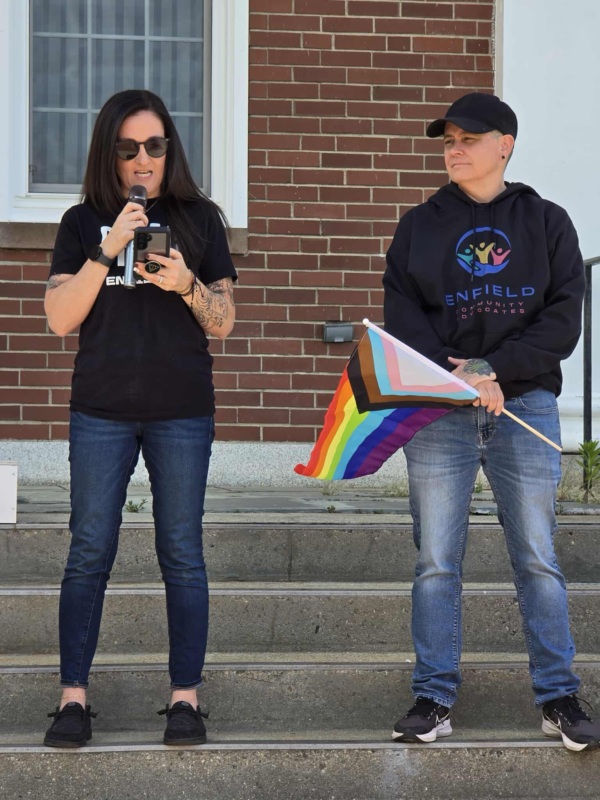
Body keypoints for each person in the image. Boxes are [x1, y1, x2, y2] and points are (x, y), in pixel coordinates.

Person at [383, 92, 600, 751]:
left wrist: (496, 368)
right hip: (439, 410)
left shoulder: (546, 222)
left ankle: (559, 697)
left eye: (468, 139)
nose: (454, 149)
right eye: (448, 140)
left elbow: (562, 318)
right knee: (436, 560)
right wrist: (463, 379)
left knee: (537, 556)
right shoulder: (418, 226)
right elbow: (403, 316)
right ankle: (433, 698)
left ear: (504, 145)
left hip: (524, 405)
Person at [43, 89, 236, 748]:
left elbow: (223, 321)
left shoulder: (201, 218)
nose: (143, 159)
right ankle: (73, 700)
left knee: (181, 551)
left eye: (154, 145)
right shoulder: (80, 222)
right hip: (101, 408)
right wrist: (108, 248)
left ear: (169, 149)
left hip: (181, 409)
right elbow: (60, 318)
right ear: (110, 154)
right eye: (128, 148)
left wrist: (185, 285)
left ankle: (185, 698)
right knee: (89, 550)